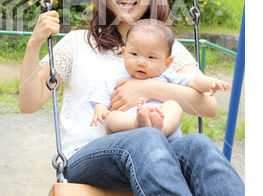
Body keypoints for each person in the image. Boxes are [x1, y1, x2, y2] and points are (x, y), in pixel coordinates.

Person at [19, 0, 244, 196]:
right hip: (91, 159)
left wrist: (148, 86)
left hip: (159, 160)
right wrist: (33, 44)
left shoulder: (167, 47)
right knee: (145, 137)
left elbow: (207, 106)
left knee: (199, 145)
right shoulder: (78, 43)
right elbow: (29, 102)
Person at [90, 19, 231, 141]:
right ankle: (138, 124)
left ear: (167, 62)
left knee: (173, 106)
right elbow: (101, 97)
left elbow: (193, 82)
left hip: (163, 129)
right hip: (128, 131)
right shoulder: (116, 77)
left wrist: (211, 83)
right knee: (113, 117)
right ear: (124, 53)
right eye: (134, 54)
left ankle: (161, 128)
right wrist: (100, 110)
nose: (141, 62)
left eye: (151, 57)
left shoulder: (166, 76)